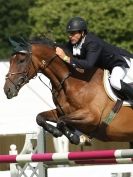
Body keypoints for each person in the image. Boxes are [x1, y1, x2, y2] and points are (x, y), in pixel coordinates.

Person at [56, 16, 133, 101]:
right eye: (70, 33)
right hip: (105, 67)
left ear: (82, 32)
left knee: (115, 83)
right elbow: (63, 48)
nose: (70, 36)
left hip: (117, 63)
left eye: (73, 33)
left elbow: (88, 65)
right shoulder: (76, 41)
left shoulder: (93, 43)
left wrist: (66, 58)